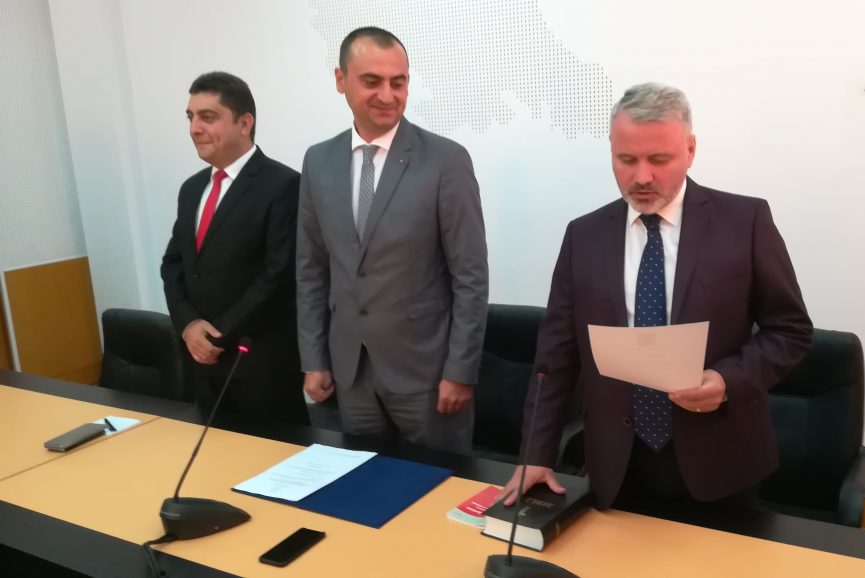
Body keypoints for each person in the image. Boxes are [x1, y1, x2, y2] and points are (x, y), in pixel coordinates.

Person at [499, 83, 812, 519]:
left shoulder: (745, 222)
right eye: (626, 160)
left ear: (690, 150)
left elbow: (790, 330)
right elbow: (555, 357)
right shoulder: (583, 236)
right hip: (617, 463)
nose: (642, 177)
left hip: (721, 462)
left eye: (659, 160)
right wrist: (536, 453)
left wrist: (727, 381)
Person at [296, 27, 488, 453]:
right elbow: (311, 271)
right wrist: (314, 359)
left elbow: (470, 277)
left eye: (397, 82)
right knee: (365, 485)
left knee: (437, 484)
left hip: (427, 375)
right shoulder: (318, 161)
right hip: (351, 374)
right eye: (372, 81)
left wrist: (460, 371)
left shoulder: (446, 161)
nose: (387, 95)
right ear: (341, 80)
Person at [161, 71, 309, 426]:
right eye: (191, 117)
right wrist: (188, 325)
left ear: (244, 123)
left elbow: (277, 276)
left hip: (260, 364)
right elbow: (174, 264)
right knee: (214, 455)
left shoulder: (283, 184)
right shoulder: (191, 189)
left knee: (275, 456)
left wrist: (217, 335)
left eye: (207, 117)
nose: (194, 129)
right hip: (201, 363)